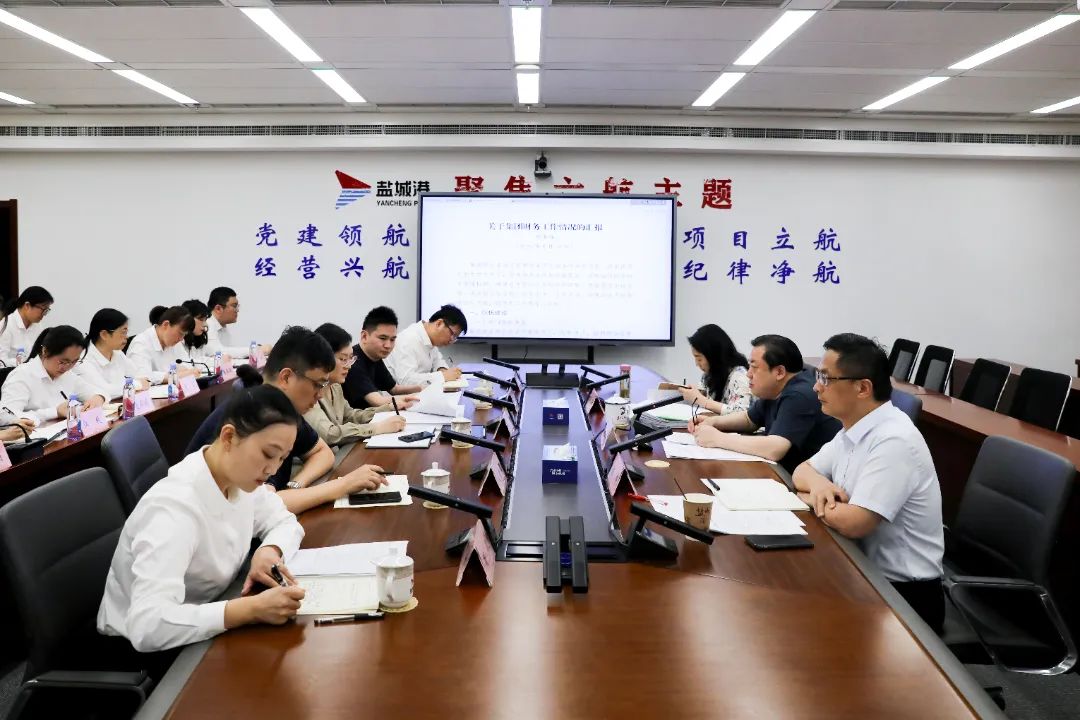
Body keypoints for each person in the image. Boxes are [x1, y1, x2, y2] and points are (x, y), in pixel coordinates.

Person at [97, 385, 308, 653]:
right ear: (229, 437)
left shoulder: (240, 478)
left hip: (206, 614)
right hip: (142, 653)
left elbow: (284, 521)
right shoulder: (173, 509)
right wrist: (248, 610)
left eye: (282, 458)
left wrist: (270, 550)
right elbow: (147, 626)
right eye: (268, 454)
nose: (273, 469)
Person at [794, 333, 944, 632]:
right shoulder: (853, 427)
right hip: (860, 569)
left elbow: (855, 523)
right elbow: (802, 471)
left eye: (826, 378)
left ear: (863, 388)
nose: (816, 386)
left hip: (905, 595)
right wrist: (821, 487)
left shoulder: (894, 439)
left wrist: (808, 496)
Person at [185, 326, 388, 515]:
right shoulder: (252, 416)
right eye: (318, 384)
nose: (320, 395)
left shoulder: (283, 409)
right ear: (287, 377)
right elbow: (259, 508)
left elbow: (322, 452)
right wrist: (341, 485)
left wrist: (294, 486)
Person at [689, 334, 840, 472]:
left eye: (754, 367)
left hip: (808, 481)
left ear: (779, 372)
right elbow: (749, 419)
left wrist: (717, 438)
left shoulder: (800, 394)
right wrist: (714, 422)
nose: (748, 374)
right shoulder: (774, 387)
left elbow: (775, 448)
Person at [304, 323, 408, 446]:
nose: (349, 366)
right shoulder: (308, 391)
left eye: (351, 359)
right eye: (343, 359)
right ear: (323, 358)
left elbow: (350, 416)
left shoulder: (335, 386)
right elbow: (329, 434)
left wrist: (388, 408)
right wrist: (377, 428)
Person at [0, 325, 106, 423]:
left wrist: (98, 398)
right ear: (45, 351)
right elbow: (6, 416)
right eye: (63, 362)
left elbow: (96, 392)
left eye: (74, 362)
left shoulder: (68, 375)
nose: (67, 367)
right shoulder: (22, 375)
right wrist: (55, 412)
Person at [342, 306, 422, 408]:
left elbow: (394, 389)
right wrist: (417, 398)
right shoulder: (353, 361)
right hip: (356, 417)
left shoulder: (374, 356)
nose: (388, 345)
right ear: (364, 336)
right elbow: (378, 401)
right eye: (383, 338)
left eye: (392, 339)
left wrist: (422, 388)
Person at [75, 308, 151, 399]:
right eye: (123, 332)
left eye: (126, 332)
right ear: (104, 334)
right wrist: (137, 384)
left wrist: (138, 382)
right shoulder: (83, 359)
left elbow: (140, 375)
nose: (126, 337)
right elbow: (104, 391)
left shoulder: (117, 353)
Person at [384, 304, 467, 387]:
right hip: (395, 393)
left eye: (455, 337)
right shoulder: (408, 339)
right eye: (453, 334)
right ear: (439, 324)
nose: (452, 340)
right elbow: (406, 381)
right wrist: (443, 376)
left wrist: (444, 370)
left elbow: (438, 361)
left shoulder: (430, 339)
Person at [678, 324, 752, 415]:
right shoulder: (709, 375)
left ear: (713, 356)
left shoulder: (740, 376)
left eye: (699, 359)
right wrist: (697, 393)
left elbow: (741, 414)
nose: (697, 364)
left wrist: (701, 400)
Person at [128, 305, 199, 384]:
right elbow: (142, 377)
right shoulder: (140, 343)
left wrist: (179, 374)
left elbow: (188, 366)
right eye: (180, 333)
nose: (181, 339)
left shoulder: (176, 342)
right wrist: (175, 376)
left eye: (184, 335)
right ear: (166, 325)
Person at [206, 286, 270, 359]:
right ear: (218, 309)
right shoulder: (207, 324)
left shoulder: (222, 327)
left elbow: (230, 354)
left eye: (237, 306)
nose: (237, 310)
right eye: (234, 306)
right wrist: (255, 350)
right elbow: (217, 352)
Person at [0, 286, 54, 366]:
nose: (44, 314)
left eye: (47, 310)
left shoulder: (38, 325)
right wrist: (26, 364)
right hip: (11, 371)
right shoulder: (6, 325)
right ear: (27, 305)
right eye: (43, 309)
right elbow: (1, 360)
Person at [177, 299, 211, 368]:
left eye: (205, 320)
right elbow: (188, 363)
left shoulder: (199, 339)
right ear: (187, 319)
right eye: (201, 320)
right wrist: (215, 361)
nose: (205, 324)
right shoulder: (177, 341)